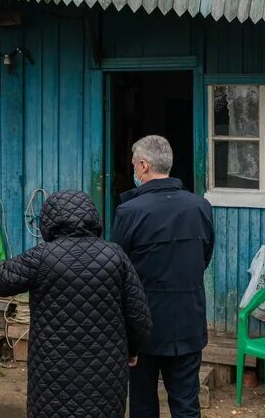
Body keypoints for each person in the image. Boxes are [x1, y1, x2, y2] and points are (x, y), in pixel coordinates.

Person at [0, 190, 152, 418]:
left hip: (53, 370)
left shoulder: (42, 256)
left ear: (50, 220)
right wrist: (133, 350)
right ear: (93, 217)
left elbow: (3, 275)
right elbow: (138, 315)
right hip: (105, 370)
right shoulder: (116, 255)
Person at [113, 135, 215, 418]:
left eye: (134, 165)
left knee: (143, 405)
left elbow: (118, 270)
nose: (133, 170)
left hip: (143, 325)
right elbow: (204, 258)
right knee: (186, 404)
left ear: (143, 166)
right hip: (189, 321)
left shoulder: (129, 211)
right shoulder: (200, 207)